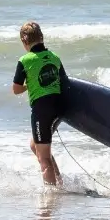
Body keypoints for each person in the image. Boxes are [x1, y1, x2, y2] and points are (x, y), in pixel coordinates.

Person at [10, 21, 65, 186]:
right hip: (58, 109)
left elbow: (16, 89)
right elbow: (64, 83)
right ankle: (60, 182)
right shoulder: (55, 57)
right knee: (36, 145)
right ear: (42, 37)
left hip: (41, 110)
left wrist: (31, 84)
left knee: (44, 158)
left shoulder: (25, 60)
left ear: (24, 41)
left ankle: (51, 195)